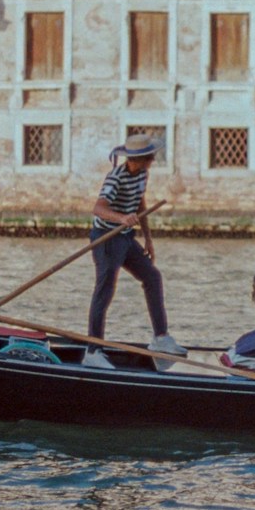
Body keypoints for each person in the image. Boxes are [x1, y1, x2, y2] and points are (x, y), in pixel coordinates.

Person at [86, 134, 185, 368]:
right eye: (148, 157)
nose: (152, 160)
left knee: (152, 276)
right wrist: (121, 218)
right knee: (105, 290)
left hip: (125, 237)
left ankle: (161, 338)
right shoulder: (115, 178)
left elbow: (140, 203)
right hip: (106, 238)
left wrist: (148, 239)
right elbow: (98, 208)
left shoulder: (142, 174)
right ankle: (93, 350)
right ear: (135, 159)